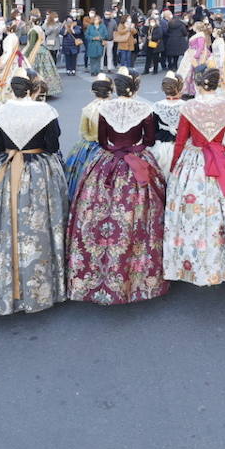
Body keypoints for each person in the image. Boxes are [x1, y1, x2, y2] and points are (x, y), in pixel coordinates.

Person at [0, 69, 67, 315]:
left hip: (7, 169)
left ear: (13, 90)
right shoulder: (46, 111)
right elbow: (53, 146)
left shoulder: (1, 112)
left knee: (4, 224)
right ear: (34, 89)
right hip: (39, 170)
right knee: (39, 223)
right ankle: (39, 285)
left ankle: (1, 285)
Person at [68, 69, 168, 304]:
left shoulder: (105, 108)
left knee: (96, 210)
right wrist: (133, 148)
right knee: (141, 214)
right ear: (135, 88)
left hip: (109, 161)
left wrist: (117, 149)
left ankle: (94, 272)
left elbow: (103, 141)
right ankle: (138, 274)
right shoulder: (145, 110)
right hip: (135, 162)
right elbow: (149, 140)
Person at [164, 66, 225, 286]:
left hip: (193, 163)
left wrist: (173, 167)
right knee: (221, 213)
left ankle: (188, 260)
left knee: (190, 215)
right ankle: (220, 262)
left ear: (198, 84)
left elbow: (180, 140)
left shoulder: (189, 106)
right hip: (219, 161)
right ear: (218, 84)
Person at [65, 73, 114, 201]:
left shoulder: (88, 109)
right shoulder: (115, 108)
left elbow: (83, 132)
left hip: (90, 147)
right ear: (110, 91)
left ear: (94, 92)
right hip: (111, 147)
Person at [152, 71, 188, 170]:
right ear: (180, 88)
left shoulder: (157, 106)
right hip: (181, 147)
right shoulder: (186, 106)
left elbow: (154, 129)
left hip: (161, 146)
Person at [25, 13, 63, 98]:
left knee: (36, 70)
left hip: (36, 51)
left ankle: (37, 89)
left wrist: (26, 54)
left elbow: (31, 44)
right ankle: (48, 88)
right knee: (46, 70)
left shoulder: (33, 30)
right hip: (43, 50)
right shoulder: (40, 29)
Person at [178, 23, 210, 95]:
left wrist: (196, 56)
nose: (193, 27)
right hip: (191, 53)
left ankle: (191, 90)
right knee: (189, 72)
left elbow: (201, 47)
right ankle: (189, 90)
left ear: (197, 27)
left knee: (190, 72)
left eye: (194, 26)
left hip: (194, 55)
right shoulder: (199, 34)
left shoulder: (200, 35)